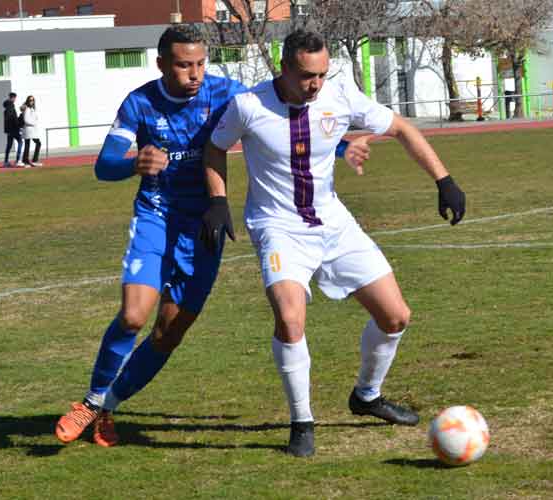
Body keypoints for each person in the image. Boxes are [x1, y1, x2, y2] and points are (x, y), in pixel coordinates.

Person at [54, 25, 362, 448]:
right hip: (156, 219)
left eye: (200, 63)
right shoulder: (140, 103)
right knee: (133, 315)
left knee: (168, 332)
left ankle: (109, 407)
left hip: (205, 228)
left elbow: (280, 110)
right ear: (162, 63)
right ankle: (90, 402)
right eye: (183, 65)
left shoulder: (225, 93)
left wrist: (343, 147)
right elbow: (104, 164)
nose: (194, 73)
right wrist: (134, 163)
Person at [202, 29, 466, 457]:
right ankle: (301, 421)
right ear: (284, 67)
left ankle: (366, 396)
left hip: (335, 225)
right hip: (278, 228)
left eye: (323, 74)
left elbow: (400, 128)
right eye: (308, 76)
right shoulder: (248, 105)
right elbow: (214, 148)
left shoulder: (340, 94)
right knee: (290, 320)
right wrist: (217, 201)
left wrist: (444, 180)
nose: (316, 84)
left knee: (396, 317)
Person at [21, 95, 43, 167]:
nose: (32, 101)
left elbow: (35, 118)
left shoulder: (32, 109)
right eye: (30, 100)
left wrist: (35, 121)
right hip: (28, 130)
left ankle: (26, 160)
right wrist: (34, 123)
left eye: (33, 100)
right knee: (37, 143)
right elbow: (26, 120)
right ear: (28, 101)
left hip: (32, 130)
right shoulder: (27, 109)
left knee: (29, 145)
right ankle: (32, 160)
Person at [3, 92, 23, 167]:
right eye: (14, 98)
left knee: (9, 146)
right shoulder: (11, 107)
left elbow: (7, 121)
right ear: (13, 98)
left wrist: (7, 130)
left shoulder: (6, 109)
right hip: (14, 129)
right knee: (20, 142)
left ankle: (6, 161)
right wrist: (18, 126)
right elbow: (13, 119)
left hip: (9, 130)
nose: (15, 99)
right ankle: (18, 160)